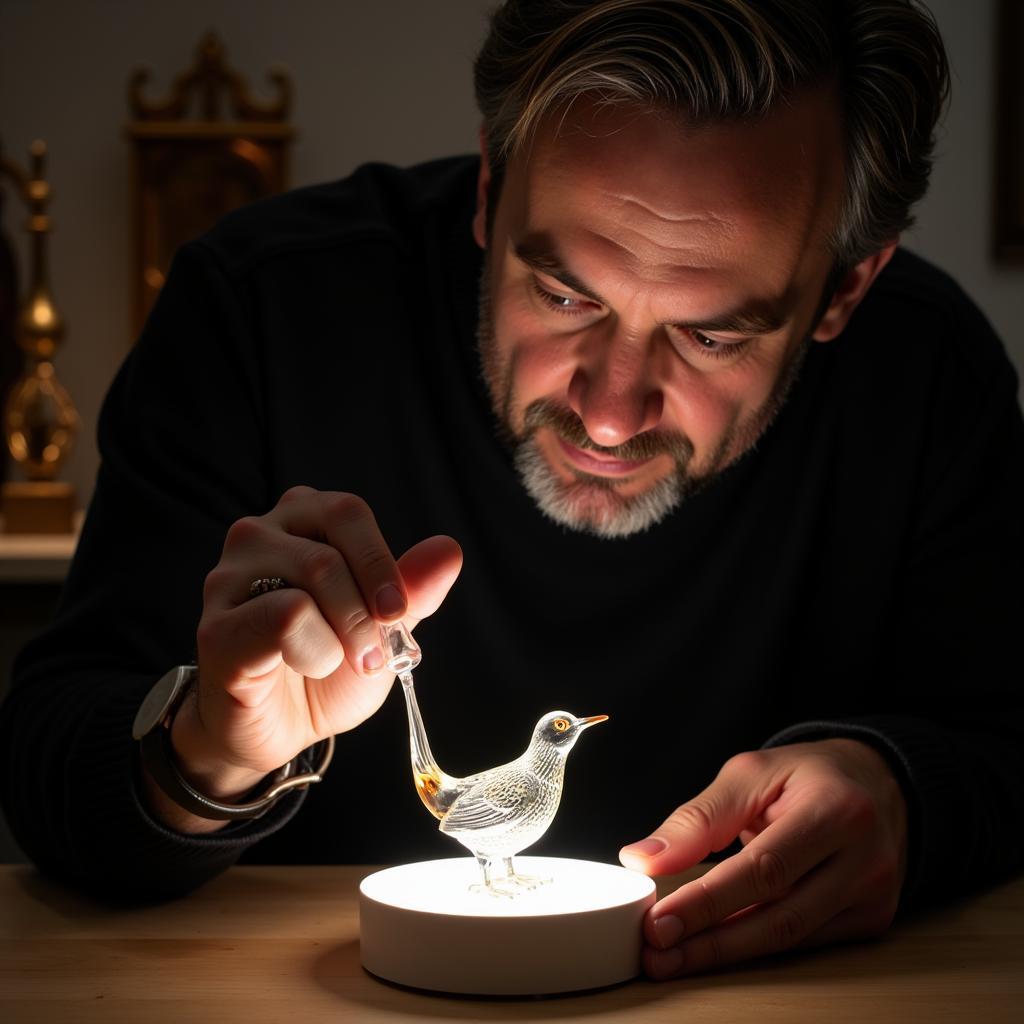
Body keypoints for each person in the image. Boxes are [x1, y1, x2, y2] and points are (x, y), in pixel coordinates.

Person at [1, 0, 1021, 982]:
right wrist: (208, 751)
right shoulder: (262, 307)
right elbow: (47, 762)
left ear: (844, 286)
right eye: (565, 292)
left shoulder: (931, 376)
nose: (612, 413)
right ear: (490, 188)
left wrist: (904, 791)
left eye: (711, 335)